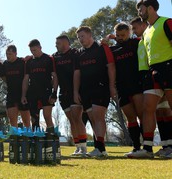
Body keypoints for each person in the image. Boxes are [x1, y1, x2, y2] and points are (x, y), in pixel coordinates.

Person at [128, 0, 172, 158]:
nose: (139, 13)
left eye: (141, 9)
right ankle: (147, 149)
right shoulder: (146, 32)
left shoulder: (167, 22)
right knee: (148, 108)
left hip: (169, 68)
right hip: (153, 72)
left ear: (151, 8)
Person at [74, 26, 116, 158]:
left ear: (89, 35)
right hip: (86, 90)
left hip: (101, 87)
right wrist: (76, 91)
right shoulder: (79, 53)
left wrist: (112, 86)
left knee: (98, 117)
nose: (80, 39)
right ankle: (100, 149)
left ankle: (100, 148)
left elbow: (111, 67)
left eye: (82, 36)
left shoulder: (101, 47)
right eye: (78, 37)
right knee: (92, 119)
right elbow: (77, 74)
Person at [102, 22, 144, 157]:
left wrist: (113, 37)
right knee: (131, 118)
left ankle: (147, 146)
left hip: (137, 85)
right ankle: (136, 147)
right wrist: (107, 40)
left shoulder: (136, 42)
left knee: (142, 115)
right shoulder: (112, 49)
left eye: (123, 35)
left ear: (129, 33)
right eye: (118, 35)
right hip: (121, 87)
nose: (120, 37)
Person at [53, 35, 87, 156]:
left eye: (58, 43)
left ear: (66, 43)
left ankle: (83, 147)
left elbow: (77, 72)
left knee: (77, 118)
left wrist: (76, 92)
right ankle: (77, 147)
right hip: (63, 93)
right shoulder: (55, 56)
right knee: (71, 120)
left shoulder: (74, 53)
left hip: (75, 91)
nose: (56, 45)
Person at [22, 39, 58, 133]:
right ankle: (36, 140)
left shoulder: (49, 59)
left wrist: (54, 92)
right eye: (31, 51)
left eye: (35, 50)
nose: (33, 52)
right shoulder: (29, 62)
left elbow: (54, 76)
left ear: (40, 47)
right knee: (34, 118)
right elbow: (26, 79)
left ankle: (51, 139)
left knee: (47, 116)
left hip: (46, 91)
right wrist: (23, 95)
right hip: (33, 92)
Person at [3, 45, 31, 128]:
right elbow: (3, 77)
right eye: (7, 54)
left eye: (10, 54)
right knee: (12, 120)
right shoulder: (5, 64)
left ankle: (28, 138)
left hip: (23, 94)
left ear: (15, 53)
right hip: (11, 94)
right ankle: (14, 138)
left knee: (26, 121)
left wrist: (30, 57)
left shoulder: (22, 62)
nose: (8, 56)